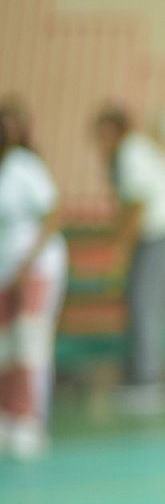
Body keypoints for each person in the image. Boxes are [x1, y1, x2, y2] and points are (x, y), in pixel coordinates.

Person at [92, 104, 165, 414]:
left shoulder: (131, 151)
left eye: (104, 133)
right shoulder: (131, 152)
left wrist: (120, 252)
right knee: (139, 299)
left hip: (161, 233)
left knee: (144, 301)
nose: (100, 141)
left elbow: (137, 205)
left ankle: (149, 382)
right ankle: (139, 376)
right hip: (159, 233)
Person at [0, 98, 67, 459]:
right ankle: (8, 414)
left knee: (30, 341)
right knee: (5, 345)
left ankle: (31, 419)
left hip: (37, 267)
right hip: (4, 271)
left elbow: (52, 215)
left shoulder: (26, 166)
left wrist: (26, 264)